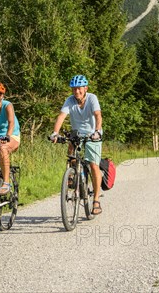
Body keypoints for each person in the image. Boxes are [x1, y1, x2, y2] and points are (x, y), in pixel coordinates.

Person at [50, 75, 103, 215]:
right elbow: (61, 116)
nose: (76, 92)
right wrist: (55, 133)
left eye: (79, 88)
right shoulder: (70, 100)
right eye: (74, 89)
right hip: (77, 134)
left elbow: (98, 115)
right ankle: (72, 174)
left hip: (93, 134)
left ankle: (96, 200)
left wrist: (97, 132)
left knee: (93, 165)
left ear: (85, 88)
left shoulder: (92, 98)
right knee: (71, 152)